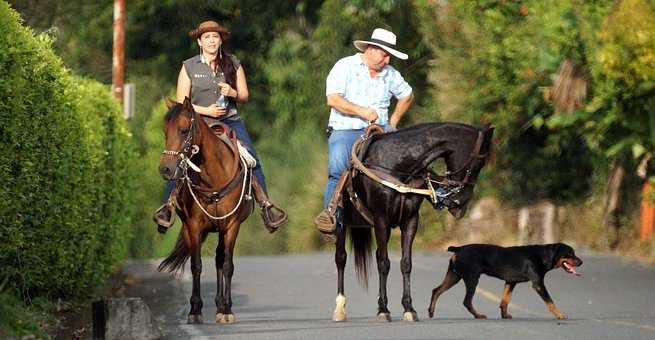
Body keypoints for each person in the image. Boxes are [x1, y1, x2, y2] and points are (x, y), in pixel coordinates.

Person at [154, 20, 287, 233]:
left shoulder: (233, 63)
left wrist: (232, 92)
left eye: (215, 37)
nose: (212, 41)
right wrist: (207, 112)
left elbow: (244, 95)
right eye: (207, 37)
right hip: (199, 122)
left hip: (229, 121)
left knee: (252, 159)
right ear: (200, 41)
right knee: (178, 157)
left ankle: (265, 205)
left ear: (220, 40)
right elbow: (181, 103)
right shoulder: (189, 66)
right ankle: (167, 207)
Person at [314, 28, 414, 236]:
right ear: (371, 48)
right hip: (345, 128)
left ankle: (406, 209)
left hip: (381, 131)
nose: (387, 60)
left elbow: (407, 95)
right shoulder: (345, 66)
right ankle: (331, 218)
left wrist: (393, 121)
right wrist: (361, 111)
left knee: (408, 162)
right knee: (338, 168)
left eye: (389, 56)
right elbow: (332, 99)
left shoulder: (391, 74)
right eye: (384, 54)